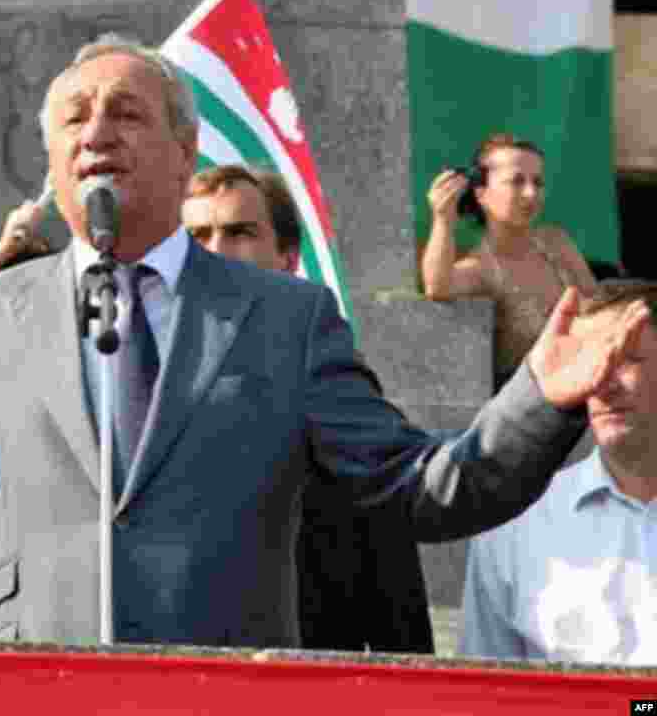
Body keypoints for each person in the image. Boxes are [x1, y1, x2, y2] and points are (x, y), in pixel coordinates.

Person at [0, 34, 650, 648]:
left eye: (126, 113)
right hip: (22, 690)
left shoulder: (284, 319)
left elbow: (424, 491)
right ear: (50, 159)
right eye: (74, 119)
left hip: (218, 685)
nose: (96, 132)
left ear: (185, 152)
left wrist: (542, 395)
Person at [182, 163, 433, 653]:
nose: (214, 250)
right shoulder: (128, 371)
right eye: (197, 234)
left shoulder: (328, 378)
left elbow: (385, 528)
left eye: (239, 232)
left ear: (288, 257)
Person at [460, 280, 657, 664]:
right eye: (590, 363)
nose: (602, 381)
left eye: (627, 358)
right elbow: (486, 695)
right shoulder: (513, 523)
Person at [421, 134, 598, 391]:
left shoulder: (556, 242)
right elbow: (437, 287)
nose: (531, 193)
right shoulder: (480, 268)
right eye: (516, 182)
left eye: (538, 182)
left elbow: (598, 307)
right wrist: (443, 217)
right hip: (534, 411)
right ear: (481, 193)